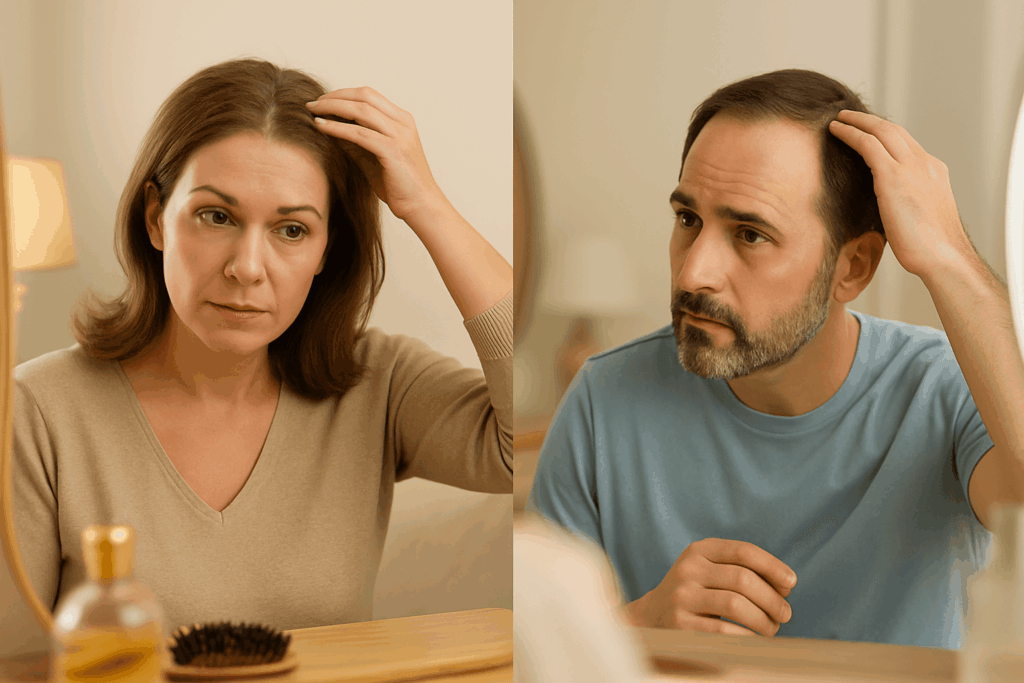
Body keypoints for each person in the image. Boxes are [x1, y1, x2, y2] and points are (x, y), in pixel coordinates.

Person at [8, 58, 512, 633]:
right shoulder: (37, 411)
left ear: (326, 249)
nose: (247, 268)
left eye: (291, 229)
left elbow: (525, 447)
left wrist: (427, 205)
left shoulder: (380, 382)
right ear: (156, 218)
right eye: (216, 216)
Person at [528, 68, 1024, 649]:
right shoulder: (600, 399)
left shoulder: (948, 388)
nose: (693, 274)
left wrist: (952, 258)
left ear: (854, 267)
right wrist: (637, 626)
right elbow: (540, 644)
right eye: (688, 220)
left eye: (750, 234)